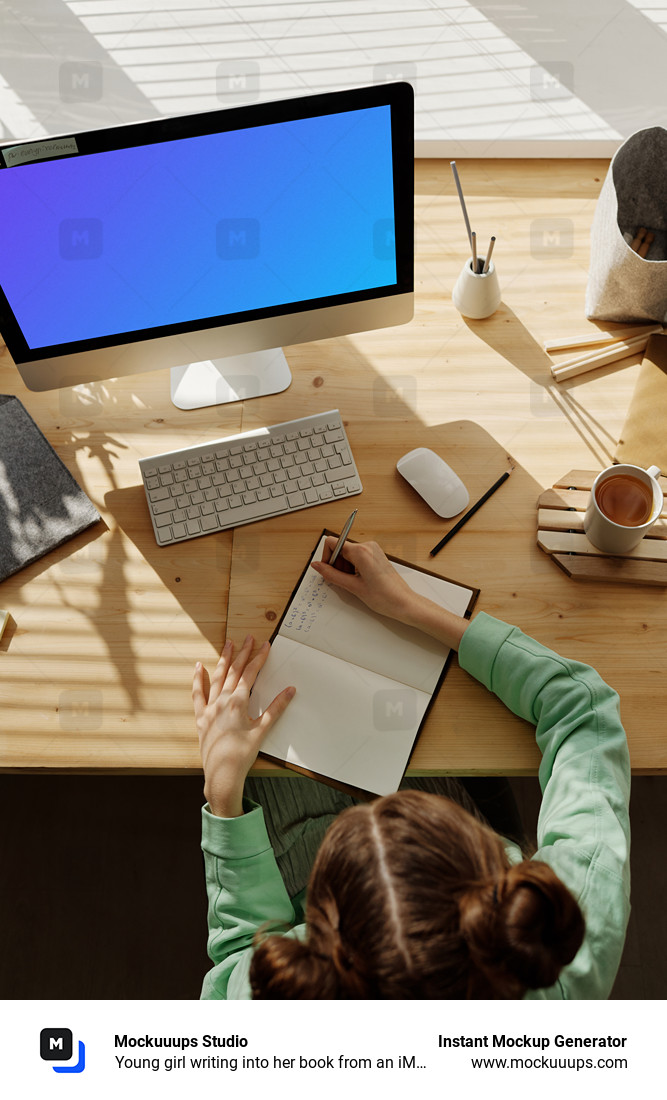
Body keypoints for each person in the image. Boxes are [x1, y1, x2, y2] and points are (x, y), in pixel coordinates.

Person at [193, 538, 630, 1000]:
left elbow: (240, 959)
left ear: (327, 933)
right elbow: (584, 707)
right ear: (492, 875)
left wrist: (223, 797)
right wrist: (414, 608)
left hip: (283, 887)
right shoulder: (566, 935)